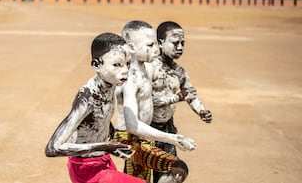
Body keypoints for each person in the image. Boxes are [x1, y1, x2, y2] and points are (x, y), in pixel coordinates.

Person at [45, 32, 147, 183]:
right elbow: (53, 148)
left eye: (127, 64)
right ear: (96, 65)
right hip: (85, 168)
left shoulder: (111, 83)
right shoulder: (87, 96)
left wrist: (112, 141)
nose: (125, 70)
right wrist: (105, 145)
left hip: (103, 161)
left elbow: (101, 116)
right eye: (117, 65)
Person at [114, 20, 196, 183]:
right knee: (176, 169)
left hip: (145, 137)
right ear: (131, 48)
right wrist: (173, 139)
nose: (156, 49)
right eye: (150, 45)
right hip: (133, 140)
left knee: (168, 173)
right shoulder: (130, 79)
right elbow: (132, 125)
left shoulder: (146, 68)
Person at [147, 21, 212, 183]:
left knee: (173, 173)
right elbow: (146, 100)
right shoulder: (150, 68)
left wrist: (201, 111)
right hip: (146, 131)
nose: (180, 47)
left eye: (183, 43)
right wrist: (177, 97)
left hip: (168, 131)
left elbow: (190, 95)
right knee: (143, 174)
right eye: (175, 43)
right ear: (160, 43)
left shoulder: (180, 72)